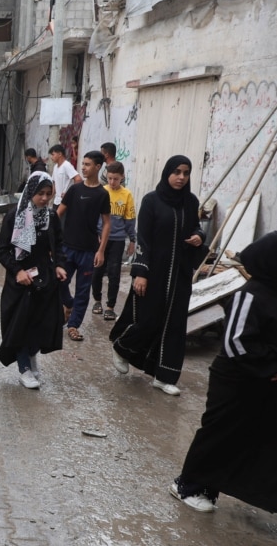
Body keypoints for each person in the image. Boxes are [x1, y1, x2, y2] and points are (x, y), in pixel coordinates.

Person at [171, 231, 277, 542]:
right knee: (221, 439)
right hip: (239, 386)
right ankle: (188, 485)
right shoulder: (249, 295)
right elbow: (235, 343)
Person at [109, 155, 206, 395]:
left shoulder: (191, 202)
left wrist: (199, 236)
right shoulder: (152, 201)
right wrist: (140, 272)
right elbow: (144, 238)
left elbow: (195, 226)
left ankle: (164, 376)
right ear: (167, 173)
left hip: (180, 274)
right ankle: (122, 347)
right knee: (148, 319)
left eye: (186, 173)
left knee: (175, 325)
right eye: (177, 172)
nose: (181, 177)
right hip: (155, 272)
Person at [0, 171, 67, 389]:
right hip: (20, 284)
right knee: (20, 326)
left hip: (44, 281)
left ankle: (32, 355)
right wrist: (17, 271)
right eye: (39, 194)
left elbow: (60, 244)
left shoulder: (51, 217)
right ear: (30, 192)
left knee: (41, 324)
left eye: (48, 194)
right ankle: (24, 367)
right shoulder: (14, 217)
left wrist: (60, 265)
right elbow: (3, 250)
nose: (44, 199)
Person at [56, 151, 110, 342]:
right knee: (59, 283)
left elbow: (106, 224)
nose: (83, 168)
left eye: (88, 164)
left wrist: (101, 250)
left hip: (88, 251)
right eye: (83, 164)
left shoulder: (103, 194)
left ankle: (73, 325)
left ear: (98, 167)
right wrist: (50, 240)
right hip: (67, 248)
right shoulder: (74, 190)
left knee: (83, 290)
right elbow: (58, 214)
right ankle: (68, 304)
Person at [91, 162, 137, 322]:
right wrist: (94, 235)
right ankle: (97, 301)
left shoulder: (127, 195)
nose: (112, 182)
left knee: (114, 272)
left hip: (117, 240)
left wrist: (132, 239)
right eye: (109, 178)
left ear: (122, 177)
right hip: (100, 238)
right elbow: (93, 215)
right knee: (97, 270)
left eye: (115, 179)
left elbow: (130, 218)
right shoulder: (102, 192)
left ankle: (110, 307)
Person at [49, 143, 81, 208]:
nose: (51, 157)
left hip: (65, 202)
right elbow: (54, 186)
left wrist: (71, 194)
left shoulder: (66, 165)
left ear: (60, 154)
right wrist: (48, 199)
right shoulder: (55, 167)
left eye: (53, 154)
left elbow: (78, 179)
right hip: (56, 202)